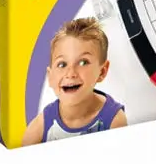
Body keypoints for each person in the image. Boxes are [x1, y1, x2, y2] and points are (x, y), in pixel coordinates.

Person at [22, 17, 127, 145]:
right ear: (50, 77)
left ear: (102, 71)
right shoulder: (42, 125)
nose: (71, 73)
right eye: (62, 64)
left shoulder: (114, 120)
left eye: (83, 62)